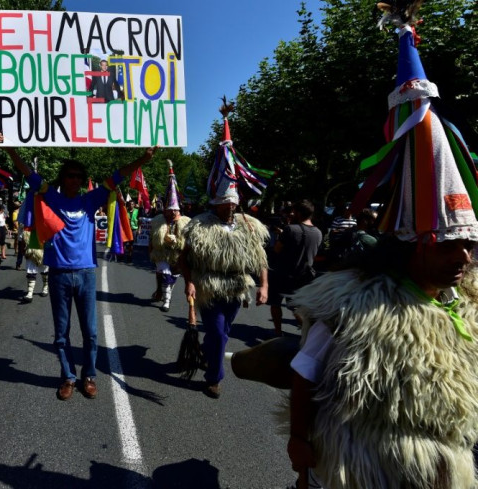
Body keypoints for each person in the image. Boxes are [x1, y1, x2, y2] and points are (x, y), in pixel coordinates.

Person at [286, 13, 478, 488]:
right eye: (450, 247)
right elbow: (305, 371)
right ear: (415, 243)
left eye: (470, 248)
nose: (464, 259)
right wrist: (298, 437)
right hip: (373, 466)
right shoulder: (352, 300)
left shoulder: (467, 305)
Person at [0, 130, 156, 401]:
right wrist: (9, 148)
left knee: (90, 333)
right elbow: (27, 173)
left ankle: (89, 375)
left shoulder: (89, 200)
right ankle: (68, 377)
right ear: (63, 178)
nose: (75, 180)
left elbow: (117, 175)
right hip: (58, 274)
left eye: (79, 176)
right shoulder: (51, 196)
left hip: (85, 274)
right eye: (71, 175)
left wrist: (143, 158)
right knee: (61, 333)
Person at [181, 171, 269, 400]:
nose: (229, 207)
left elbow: (260, 259)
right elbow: (184, 258)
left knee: (222, 332)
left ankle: (208, 351)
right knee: (219, 334)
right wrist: (189, 282)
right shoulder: (200, 225)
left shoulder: (249, 226)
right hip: (209, 285)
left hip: (237, 285)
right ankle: (214, 378)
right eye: (224, 203)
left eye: (232, 203)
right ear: (216, 204)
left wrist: (264, 286)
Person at [267, 199, 322, 336]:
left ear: (298, 213)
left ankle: (278, 332)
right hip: (304, 276)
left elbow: (277, 249)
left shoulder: (291, 229)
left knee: (275, 304)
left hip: (283, 274)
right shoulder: (318, 233)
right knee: (296, 307)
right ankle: (310, 332)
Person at [149, 161, 191, 312]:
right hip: (162, 254)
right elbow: (151, 238)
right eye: (170, 210)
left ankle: (162, 291)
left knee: (172, 278)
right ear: (165, 209)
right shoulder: (158, 221)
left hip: (178, 256)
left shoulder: (186, 223)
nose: (173, 212)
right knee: (165, 273)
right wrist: (151, 249)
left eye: (175, 210)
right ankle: (166, 301)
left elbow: (189, 243)